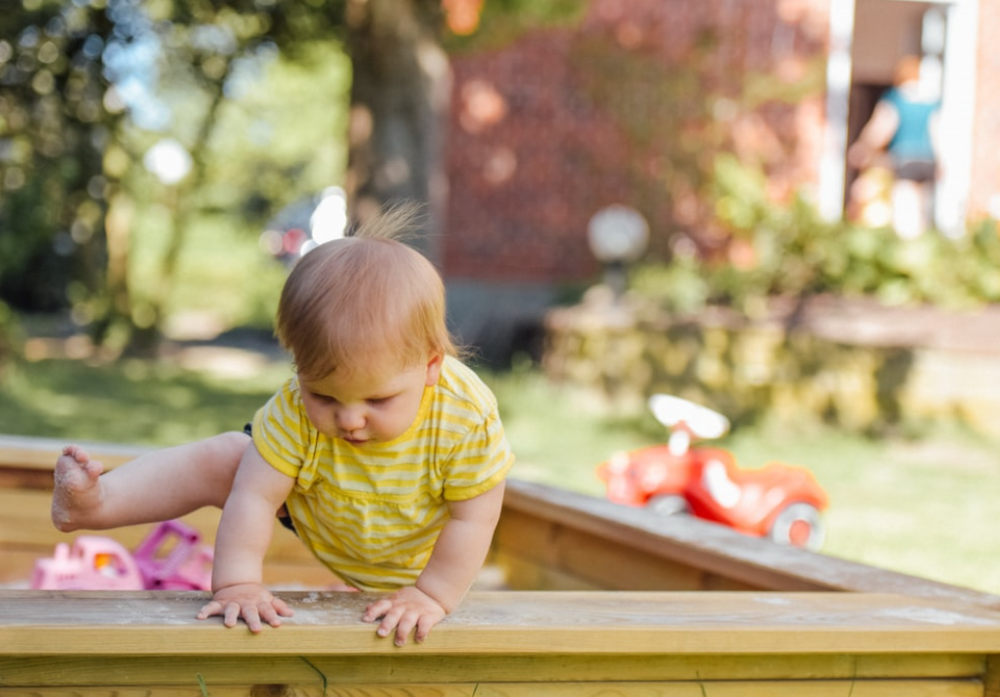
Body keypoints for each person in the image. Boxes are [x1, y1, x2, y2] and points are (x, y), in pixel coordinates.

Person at [51, 204, 514, 646]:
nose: (350, 419)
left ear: (431, 366)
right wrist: (237, 584)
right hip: (325, 507)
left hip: (420, 547)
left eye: (378, 399)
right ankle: (97, 503)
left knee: (453, 536)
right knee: (229, 458)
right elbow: (254, 497)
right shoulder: (293, 408)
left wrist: (431, 594)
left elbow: (474, 516)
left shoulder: (463, 417)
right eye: (324, 396)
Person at [847, 55, 941, 239]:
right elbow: (937, 131)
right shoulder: (931, 101)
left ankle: (907, 248)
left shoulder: (896, 98)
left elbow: (882, 126)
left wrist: (864, 146)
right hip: (927, 158)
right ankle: (921, 243)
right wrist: (940, 160)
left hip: (904, 156)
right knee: (921, 206)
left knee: (905, 206)